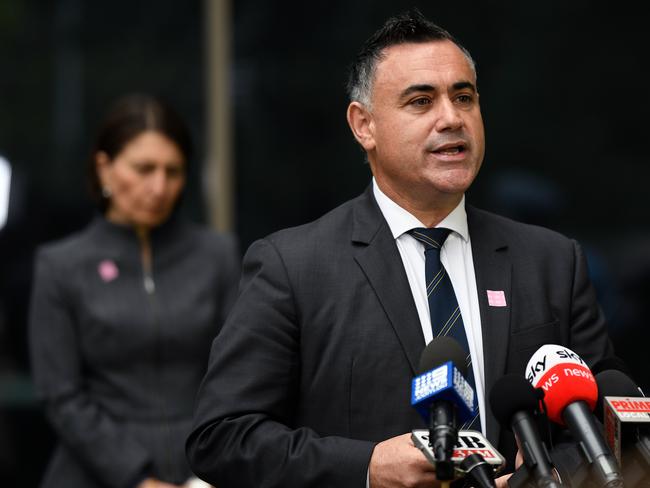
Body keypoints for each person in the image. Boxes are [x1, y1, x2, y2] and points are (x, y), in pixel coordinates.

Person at [186, 10, 615, 488]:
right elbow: (222, 438)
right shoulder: (293, 267)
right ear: (363, 125)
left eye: (464, 97)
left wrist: (552, 472)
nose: (451, 118)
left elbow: (608, 418)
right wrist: (366, 467)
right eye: (420, 101)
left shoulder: (552, 261)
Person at [29, 94, 240, 488]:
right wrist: (138, 479)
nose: (159, 186)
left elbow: (239, 372)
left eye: (172, 171)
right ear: (104, 168)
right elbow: (63, 397)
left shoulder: (216, 255)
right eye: (143, 169)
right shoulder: (61, 266)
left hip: (204, 471)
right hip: (93, 473)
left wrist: (210, 471)